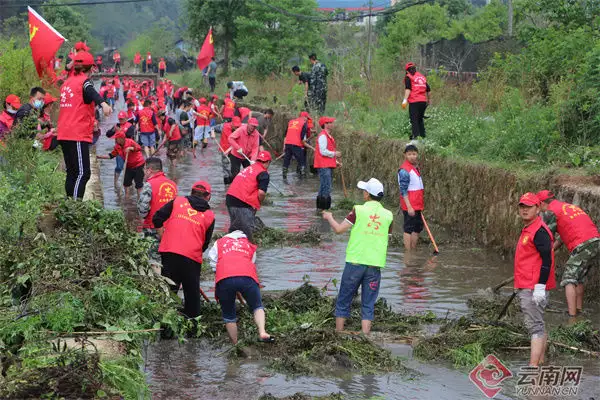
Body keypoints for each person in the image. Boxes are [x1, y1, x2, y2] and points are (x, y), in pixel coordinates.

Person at [322, 178, 393, 334]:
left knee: (344, 299)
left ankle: (339, 332)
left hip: (355, 263)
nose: (363, 193)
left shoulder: (358, 210)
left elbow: (339, 230)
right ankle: (365, 335)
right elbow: (387, 237)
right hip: (374, 265)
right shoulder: (388, 215)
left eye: (364, 191)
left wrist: (329, 218)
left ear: (367, 194)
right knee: (368, 302)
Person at [153, 181, 215, 319]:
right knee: (192, 296)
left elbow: (157, 218)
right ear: (208, 197)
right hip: (191, 257)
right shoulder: (210, 215)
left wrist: (163, 236)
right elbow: (205, 243)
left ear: (191, 192)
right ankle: (193, 332)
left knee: (169, 292)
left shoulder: (177, 201)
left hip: (169, 253)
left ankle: (166, 331)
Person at [58, 51, 112, 199]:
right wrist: (104, 104)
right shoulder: (84, 81)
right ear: (90, 68)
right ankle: (75, 207)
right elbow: (91, 91)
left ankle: (69, 204)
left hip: (63, 132)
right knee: (83, 173)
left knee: (72, 172)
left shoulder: (67, 82)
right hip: (76, 133)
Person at [537, 190, 599, 317]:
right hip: (595, 241)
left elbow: (547, 235)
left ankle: (572, 317)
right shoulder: (566, 207)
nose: (540, 210)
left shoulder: (551, 211)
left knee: (568, 278)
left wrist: (540, 253)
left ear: (542, 203)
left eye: (538, 206)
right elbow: (562, 237)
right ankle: (578, 309)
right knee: (578, 278)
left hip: (583, 244)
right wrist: (551, 250)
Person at [208, 227, 274, 344]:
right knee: (257, 306)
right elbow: (251, 263)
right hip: (247, 276)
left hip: (224, 277)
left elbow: (213, 264)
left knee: (229, 316)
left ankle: (235, 343)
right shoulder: (248, 244)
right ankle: (262, 332)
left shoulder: (219, 243)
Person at [514, 192, 555, 367]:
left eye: (529, 207)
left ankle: (533, 368)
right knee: (539, 323)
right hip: (528, 283)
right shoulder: (530, 228)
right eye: (522, 207)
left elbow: (547, 260)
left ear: (537, 208)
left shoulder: (539, 231)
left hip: (533, 286)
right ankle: (541, 361)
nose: (524, 210)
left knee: (535, 327)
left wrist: (539, 286)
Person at [225, 151, 272, 241]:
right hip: (241, 202)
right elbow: (261, 193)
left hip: (230, 198)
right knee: (246, 234)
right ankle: (246, 250)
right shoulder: (264, 173)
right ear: (268, 162)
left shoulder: (250, 168)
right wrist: (260, 202)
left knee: (235, 230)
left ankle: (229, 248)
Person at [138, 157, 177, 261]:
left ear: (149, 170)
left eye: (144, 169)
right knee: (167, 258)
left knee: (153, 259)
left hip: (152, 228)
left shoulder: (148, 185)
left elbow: (143, 210)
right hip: (170, 228)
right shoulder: (172, 184)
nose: (143, 172)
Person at [397, 144, 424, 250]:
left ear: (417, 154)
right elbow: (403, 190)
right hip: (410, 205)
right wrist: (409, 207)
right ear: (405, 155)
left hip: (417, 204)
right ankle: (408, 253)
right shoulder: (404, 170)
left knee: (417, 228)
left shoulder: (415, 168)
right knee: (408, 228)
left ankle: (413, 249)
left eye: (414, 154)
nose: (412, 156)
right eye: (409, 154)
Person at [314, 116, 340, 210]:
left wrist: (335, 161)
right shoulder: (323, 136)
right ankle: (325, 210)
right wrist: (335, 154)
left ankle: (320, 210)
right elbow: (323, 151)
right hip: (324, 166)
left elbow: (326, 152)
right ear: (325, 125)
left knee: (323, 187)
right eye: (330, 122)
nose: (332, 124)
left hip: (326, 164)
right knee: (326, 187)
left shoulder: (327, 136)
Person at [106, 111, 135, 185]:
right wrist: (113, 130)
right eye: (119, 119)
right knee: (119, 167)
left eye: (122, 119)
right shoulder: (117, 125)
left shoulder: (130, 126)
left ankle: (129, 183)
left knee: (130, 167)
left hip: (128, 150)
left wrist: (120, 131)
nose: (121, 120)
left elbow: (129, 136)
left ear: (126, 118)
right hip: (119, 150)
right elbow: (108, 134)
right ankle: (115, 183)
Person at [402, 62, 430, 140]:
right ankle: (423, 137)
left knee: (414, 120)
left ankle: (416, 138)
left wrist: (405, 100)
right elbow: (428, 89)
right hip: (423, 102)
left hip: (414, 101)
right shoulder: (421, 77)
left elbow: (408, 89)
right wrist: (429, 100)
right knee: (420, 119)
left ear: (407, 71)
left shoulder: (408, 77)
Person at [213, 116, 241, 185]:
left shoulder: (241, 129)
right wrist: (212, 133)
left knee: (235, 168)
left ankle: (233, 184)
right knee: (225, 167)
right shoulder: (223, 126)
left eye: (238, 126)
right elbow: (212, 128)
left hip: (235, 150)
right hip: (224, 149)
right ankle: (226, 186)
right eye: (236, 126)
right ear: (232, 123)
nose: (237, 128)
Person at [282, 112, 309, 178]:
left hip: (288, 144)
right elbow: (302, 138)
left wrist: (284, 146)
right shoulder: (304, 123)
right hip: (296, 144)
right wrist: (306, 143)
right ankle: (302, 178)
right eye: (307, 118)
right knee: (301, 161)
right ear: (304, 117)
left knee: (286, 161)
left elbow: (285, 135)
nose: (307, 120)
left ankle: (284, 176)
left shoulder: (290, 122)